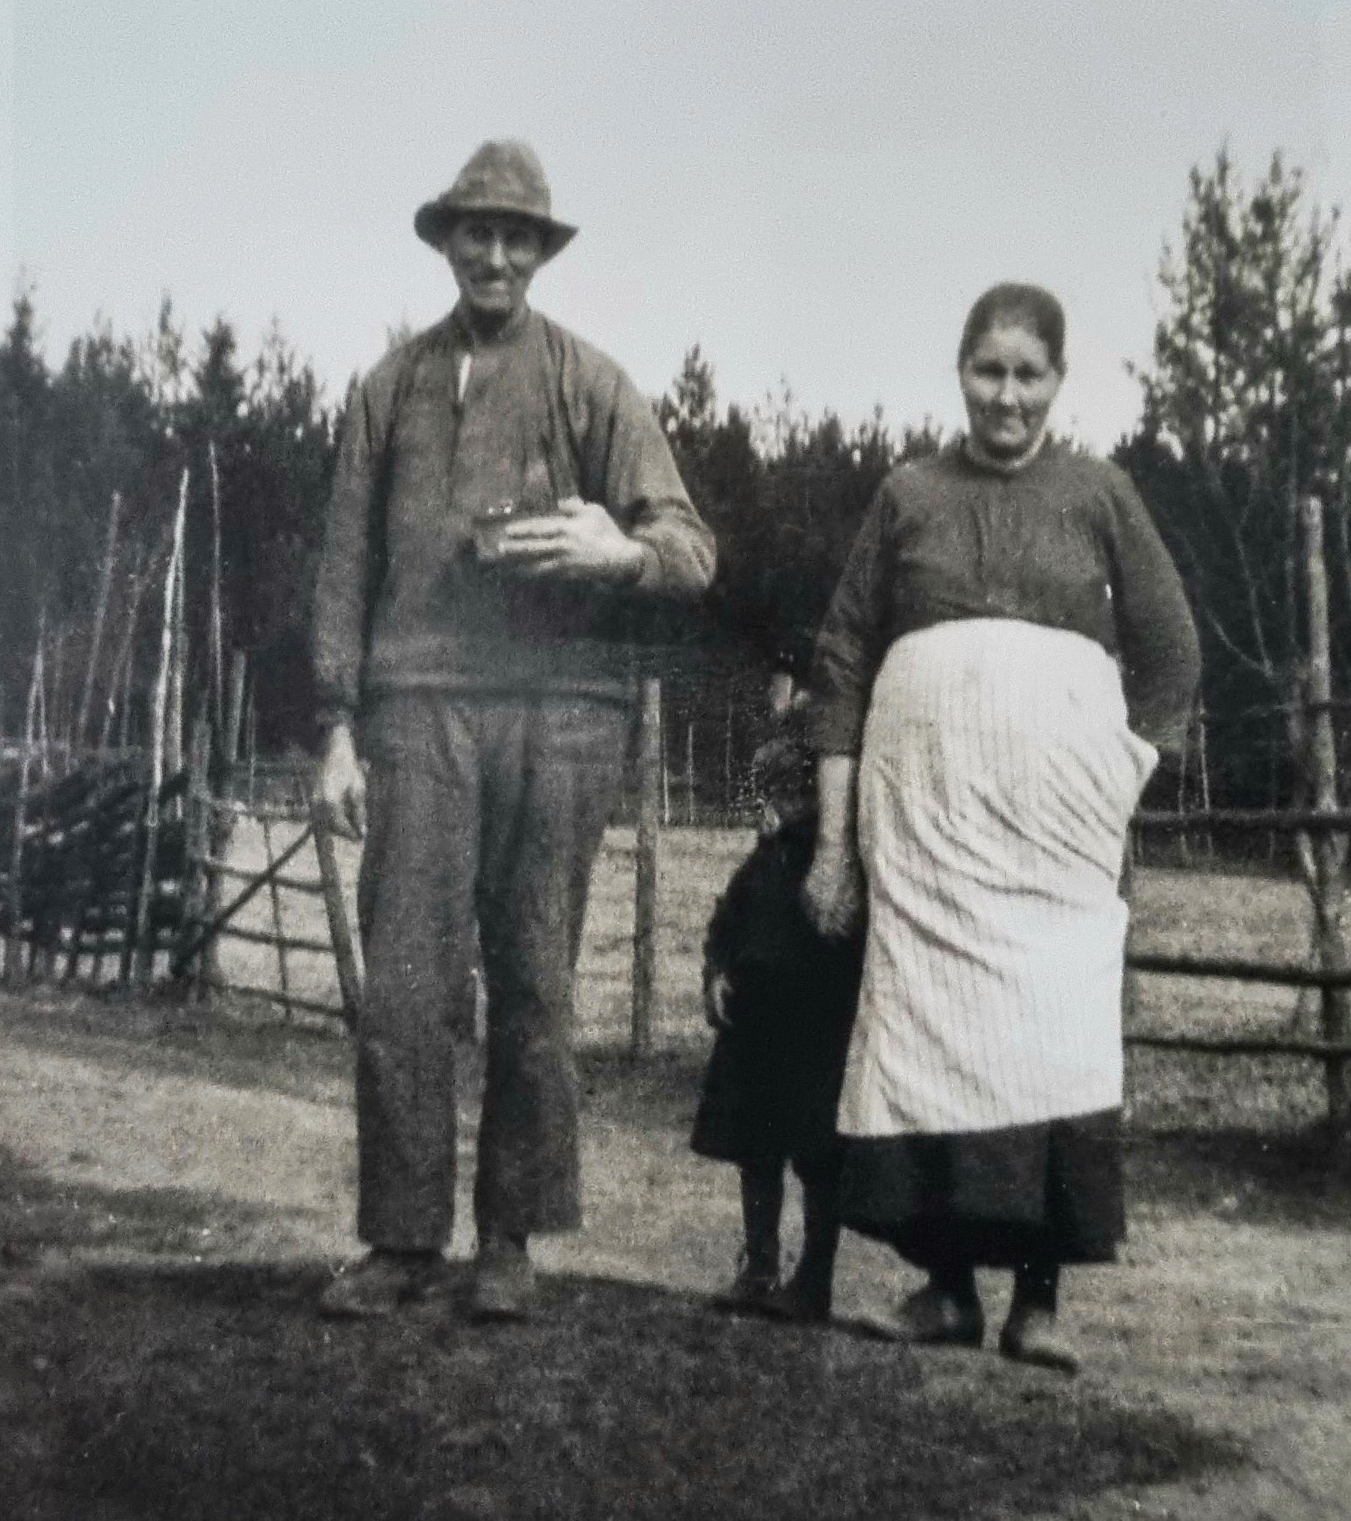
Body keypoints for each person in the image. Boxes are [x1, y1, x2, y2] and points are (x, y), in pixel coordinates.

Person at [310, 139, 715, 1319]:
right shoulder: (387, 391)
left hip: (561, 716)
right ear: (446, 242)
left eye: (516, 236)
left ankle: (509, 1243)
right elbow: (343, 568)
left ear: (541, 251)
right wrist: (335, 726)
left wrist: (618, 551)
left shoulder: (593, 385)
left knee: (535, 980)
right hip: (419, 710)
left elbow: (691, 550)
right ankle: (400, 1241)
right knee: (405, 986)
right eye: (475, 231)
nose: (494, 254)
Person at [802, 282, 1199, 1370]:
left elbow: (1171, 651)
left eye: (1029, 374)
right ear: (960, 372)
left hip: (1057, 844)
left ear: (1058, 380)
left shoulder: (1100, 494)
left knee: (1047, 1036)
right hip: (924, 831)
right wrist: (835, 843)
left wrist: (1116, 773)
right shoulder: (907, 495)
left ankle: (1037, 1301)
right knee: (931, 1031)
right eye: (989, 370)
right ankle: (944, 1291)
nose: (1007, 396)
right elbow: (841, 658)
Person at [689, 691, 863, 1324]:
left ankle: (814, 1279)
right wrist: (715, 973)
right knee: (756, 1152)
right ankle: (759, 1266)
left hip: (816, 1031)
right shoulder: (763, 860)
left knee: (818, 1157)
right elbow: (726, 921)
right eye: (775, 791)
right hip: (756, 1029)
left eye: (797, 790)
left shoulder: (843, 868)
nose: (783, 805)